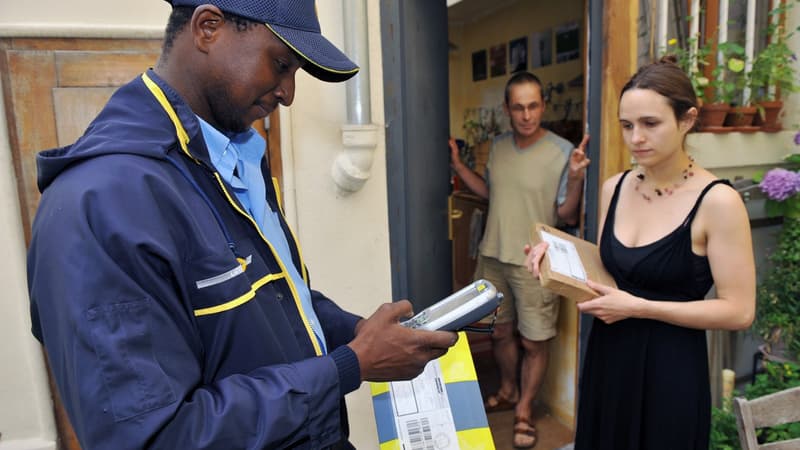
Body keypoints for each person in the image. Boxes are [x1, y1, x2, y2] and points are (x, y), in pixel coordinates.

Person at [26, 1, 458, 448]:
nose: (289, 93)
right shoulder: (101, 205)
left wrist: (358, 334)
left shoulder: (232, 159)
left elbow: (271, 298)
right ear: (208, 28)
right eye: (282, 64)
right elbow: (155, 437)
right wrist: (350, 364)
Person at [525, 56, 756, 449]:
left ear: (687, 120)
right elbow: (609, 275)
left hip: (672, 370)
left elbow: (739, 310)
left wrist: (640, 308)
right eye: (627, 125)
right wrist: (556, 265)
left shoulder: (718, 202)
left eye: (651, 124)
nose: (636, 139)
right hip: (609, 357)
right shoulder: (614, 187)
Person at [449, 70, 590, 448]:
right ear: (507, 110)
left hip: (533, 261)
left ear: (543, 105)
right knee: (498, 332)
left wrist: (575, 178)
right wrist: (460, 168)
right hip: (494, 254)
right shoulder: (497, 146)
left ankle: (524, 409)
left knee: (534, 341)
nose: (527, 115)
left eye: (533, 106)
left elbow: (567, 215)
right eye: (518, 108)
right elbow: (491, 193)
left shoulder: (563, 152)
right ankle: (510, 389)